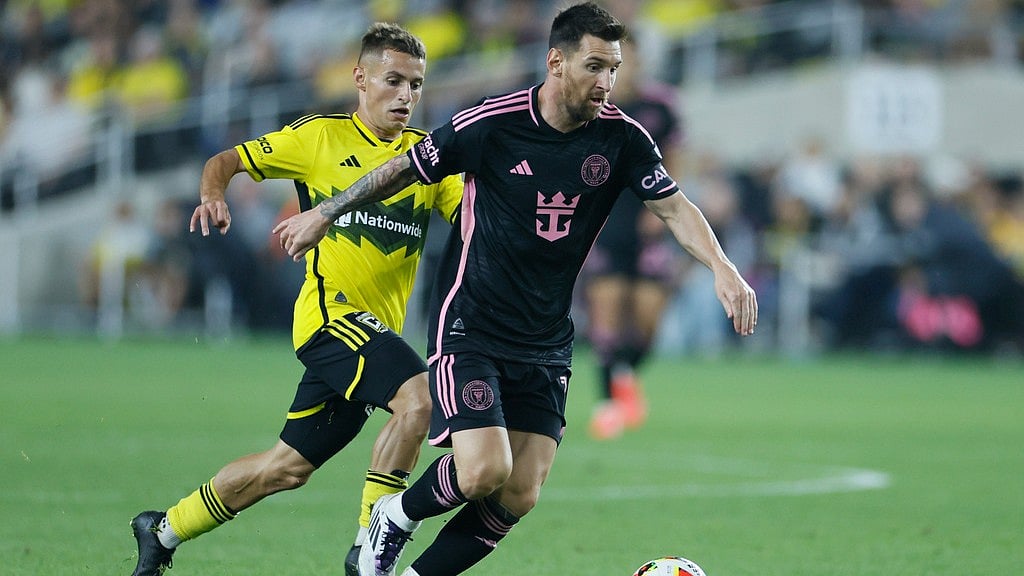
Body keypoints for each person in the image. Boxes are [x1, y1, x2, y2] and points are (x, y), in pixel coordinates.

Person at [274, 4, 757, 575]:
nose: (606, 82)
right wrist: (327, 211)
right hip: (472, 327)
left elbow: (674, 207)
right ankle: (394, 514)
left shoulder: (623, 138)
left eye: (614, 69)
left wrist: (722, 266)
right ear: (556, 62)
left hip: (546, 339)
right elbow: (402, 169)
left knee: (520, 492)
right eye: (594, 66)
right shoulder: (491, 123)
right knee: (483, 470)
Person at [128, 23, 463, 576]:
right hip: (331, 319)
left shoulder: (425, 158)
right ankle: (371, 549)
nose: (406, 95)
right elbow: (225, 161)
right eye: (393, 80)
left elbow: (474, 220)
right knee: (419, 399)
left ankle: (163, 529)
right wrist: (213, 195)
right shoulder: (319, 138)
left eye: (416, 84)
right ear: (360, 79)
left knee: (285, 469)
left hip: (374, 334)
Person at [580, 39, 685, 440]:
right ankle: (607, 404)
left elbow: (676, 160)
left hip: (648, 222)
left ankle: (623, 373)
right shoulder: (589, 105)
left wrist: (665, 205)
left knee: (648, 321)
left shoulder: (662, 106)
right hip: (604, 223)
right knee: (606, 314)